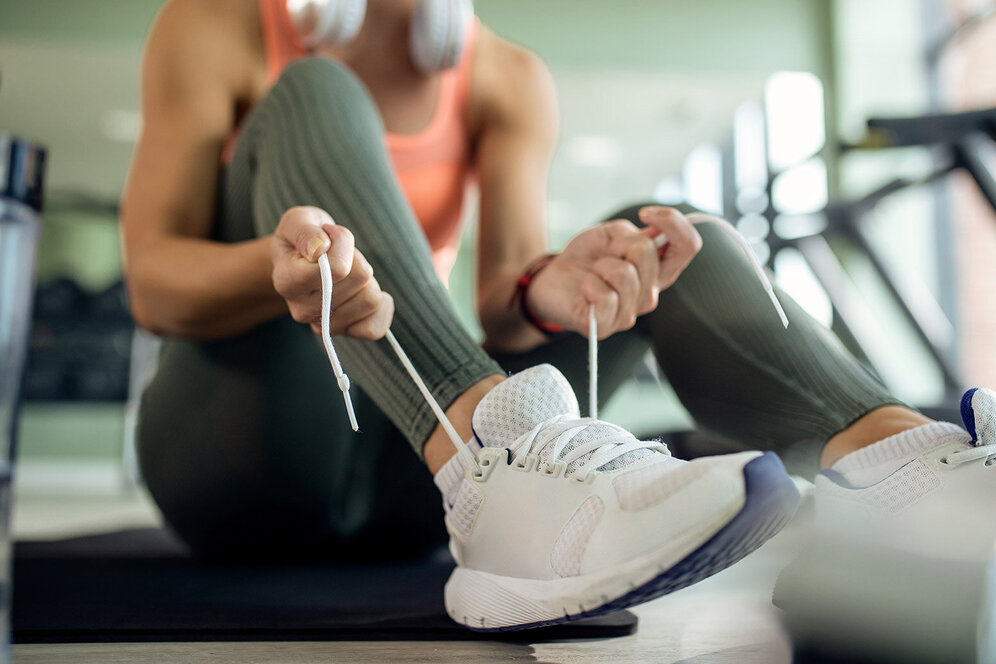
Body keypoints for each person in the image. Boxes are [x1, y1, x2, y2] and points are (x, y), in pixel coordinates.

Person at [120, 0, 994, 632]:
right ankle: (490, 467)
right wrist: (281, 270)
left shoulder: (505, 77)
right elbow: (153, 283)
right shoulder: (217, 23)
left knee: (658, 236)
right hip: (240, 455)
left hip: (403, 480)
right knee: (315, 86)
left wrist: (550, 287)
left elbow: (502, 309)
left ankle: (912, 477)